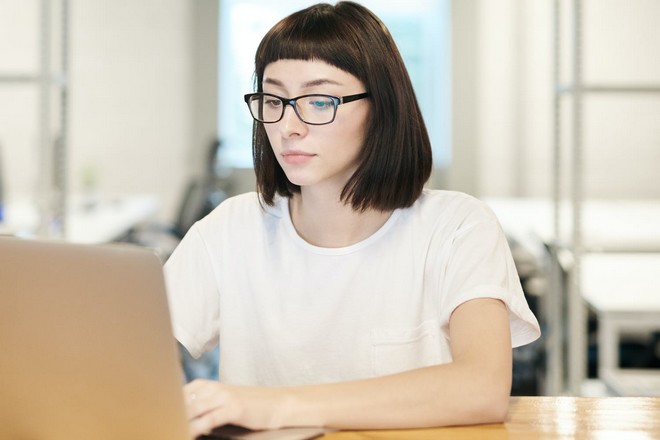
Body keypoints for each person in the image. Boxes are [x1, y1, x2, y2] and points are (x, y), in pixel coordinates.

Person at [164, 2, 541, 438]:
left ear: (381, 108)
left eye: (320, 100)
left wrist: (275, 406)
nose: (289, 126)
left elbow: (483, 388)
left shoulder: (458, 227)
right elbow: (122, 357)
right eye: (273, 99)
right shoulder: (230, 229)